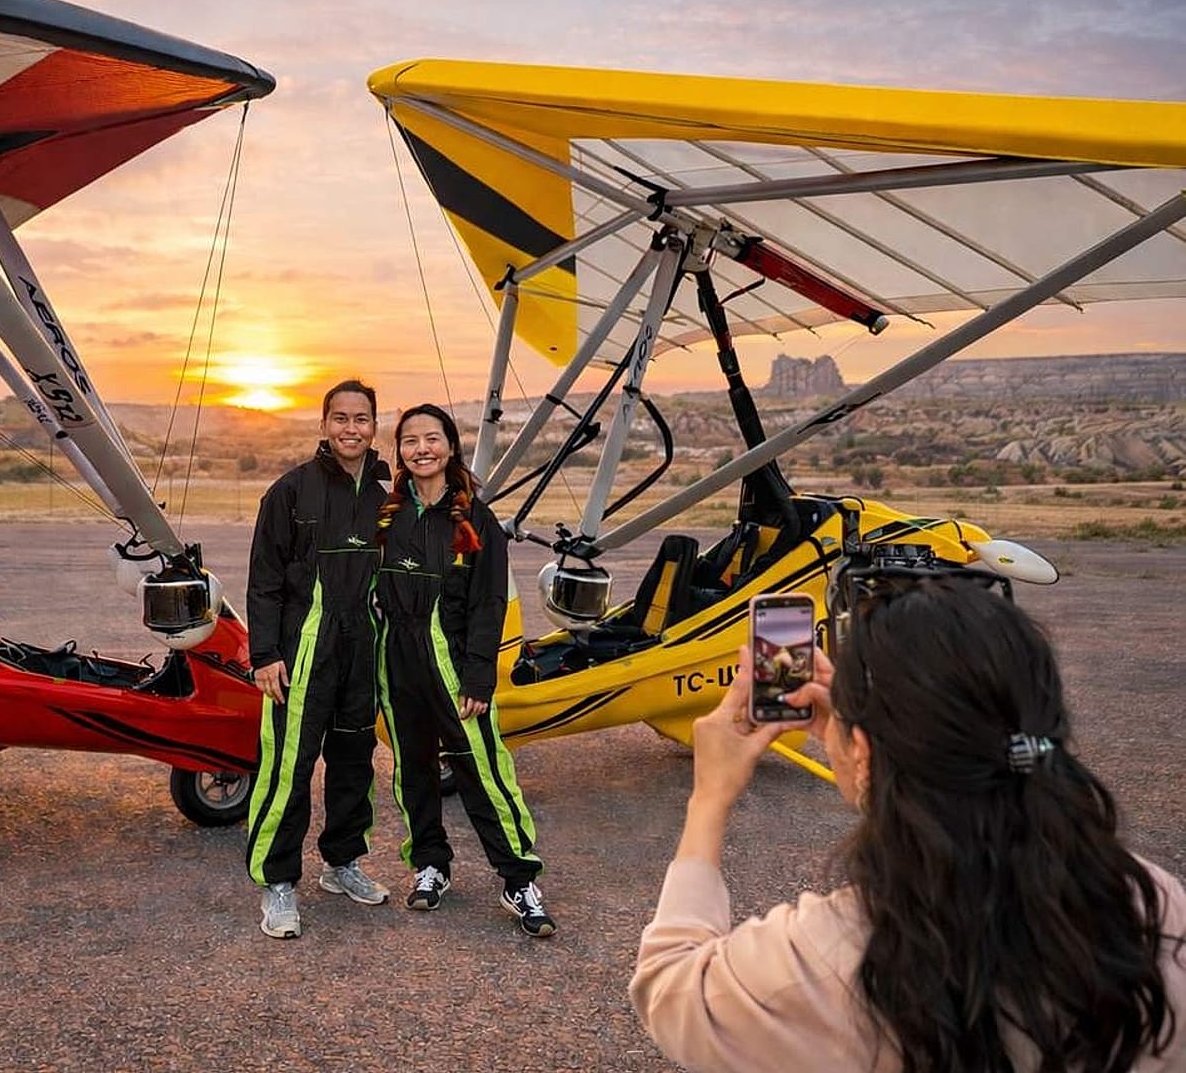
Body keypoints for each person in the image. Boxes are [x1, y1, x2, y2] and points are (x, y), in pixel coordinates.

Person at [629, 571, 1186, 1070]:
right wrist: (869, 755)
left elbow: (670, 987)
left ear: (866, 750)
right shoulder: (1157, 908)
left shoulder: (824, 959)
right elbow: (969, 789)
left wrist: (709, 799)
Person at [374, 403, 555, 938]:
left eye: (432, 438)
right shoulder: (387, 515)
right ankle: (430, 864)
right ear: (400, 451)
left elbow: (488, 602)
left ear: (451, 446)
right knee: (414, 770)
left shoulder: (476, 518)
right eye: (410, 440)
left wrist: (480, 676)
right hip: (399, 664)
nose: (421, 448)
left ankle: (518, 878)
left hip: (454, 666)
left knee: (482, 771)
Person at [245, 380, 393, 939]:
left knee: (355, 760)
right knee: (290, 767)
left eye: (362, 419)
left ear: (375, 427)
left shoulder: (387, 497)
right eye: (340, 418)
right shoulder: (291, 491)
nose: (351, 428)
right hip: (303, 652)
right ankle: (278, 884)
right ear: (323, 424)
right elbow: (264, 580)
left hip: (362, 651)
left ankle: (342, 864)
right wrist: (265, 654)